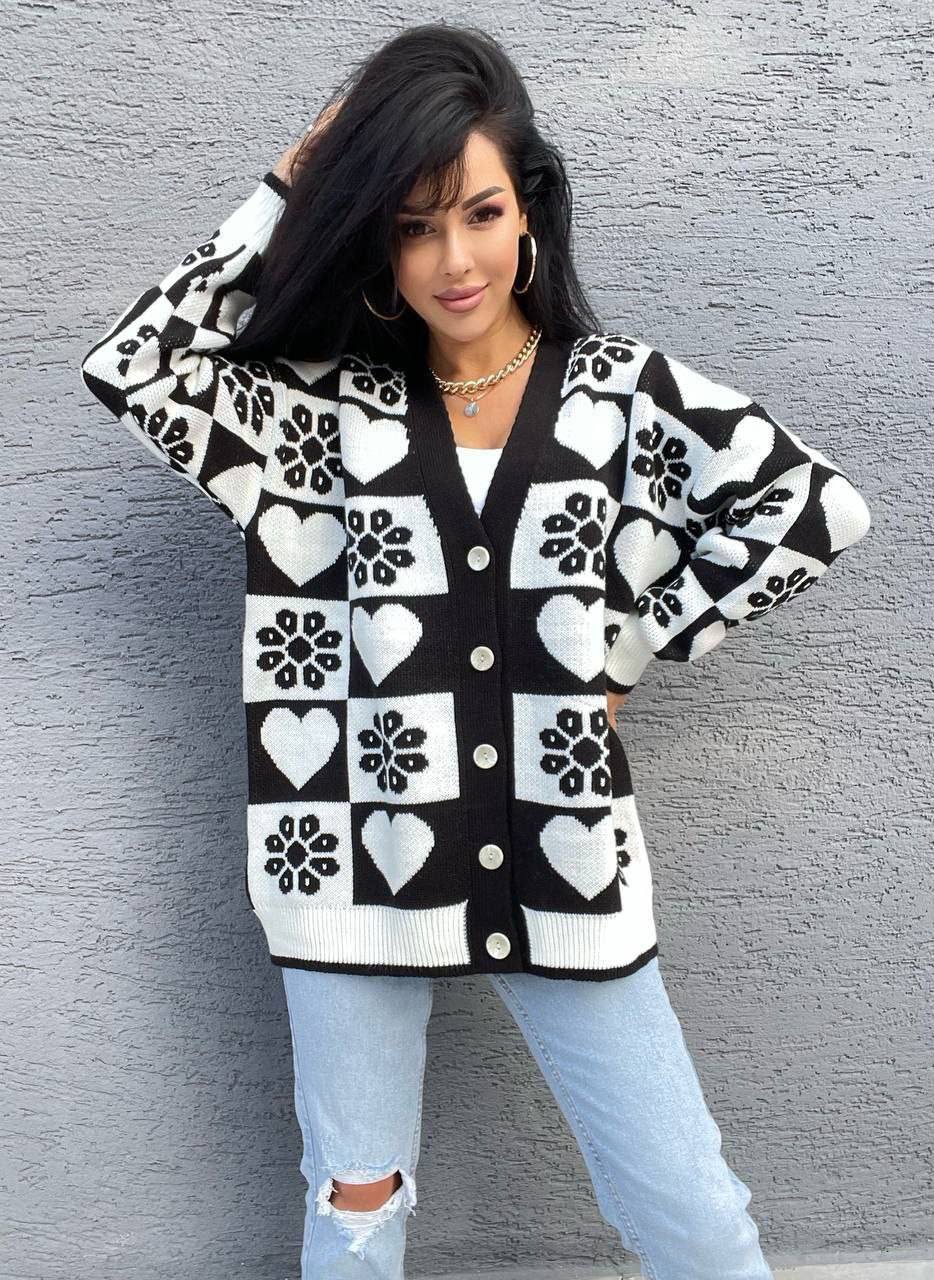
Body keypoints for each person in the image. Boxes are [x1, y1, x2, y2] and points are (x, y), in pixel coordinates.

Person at [79, 22, 871, 1280]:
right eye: (409, 224)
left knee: (695, 1217)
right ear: (378, 248)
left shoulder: (620, 398)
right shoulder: (315, 418)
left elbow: (814, 509)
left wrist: (620, 653)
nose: (454, 257)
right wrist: (293, 181)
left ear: (530, 214)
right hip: (344, 866)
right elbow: (135, 365)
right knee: (355, 1205)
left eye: (480, 212)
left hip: (566, 867)